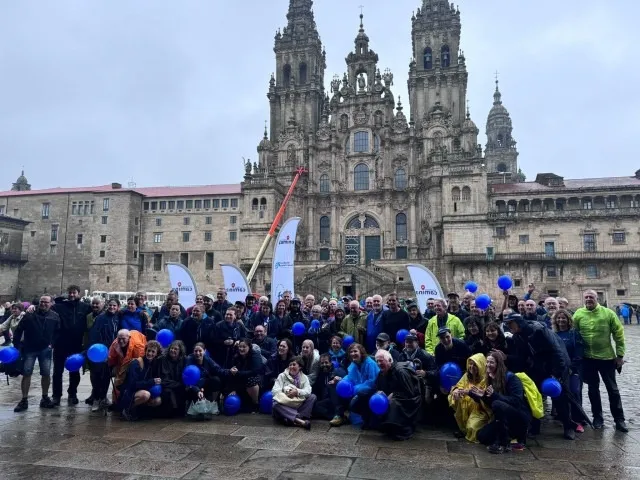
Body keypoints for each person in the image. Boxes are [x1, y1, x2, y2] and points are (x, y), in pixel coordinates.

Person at [503, 312, 576, 440]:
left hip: (554, 366)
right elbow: (522, 357)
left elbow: (556, 350)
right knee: (534, 396)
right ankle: (535, 427)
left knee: (560, 397)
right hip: (537, 369)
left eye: (511, 323)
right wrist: (507, 358)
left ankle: (568, 426)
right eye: (507, 324)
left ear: (518, 322)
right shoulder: (517, 337)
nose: (509, 326)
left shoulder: (538, 330)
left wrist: (557, 373)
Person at [573, 290, 627, 432]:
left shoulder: (608, 313)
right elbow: (574, 335)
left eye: (592, 297)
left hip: (606, 358)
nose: (589, 299)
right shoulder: (578, 314)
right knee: (593, 390)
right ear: (583, 299)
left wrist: (620, 355)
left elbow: (618, 334)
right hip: (587, 358)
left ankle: (619, 419)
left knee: (613, 390)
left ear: (597, 298)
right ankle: (598, 418)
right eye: (586, 297)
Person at [475, 351, 530, 454]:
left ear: (498, 364)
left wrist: (495, 395)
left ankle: (503, 443)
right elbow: (491, 404)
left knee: (497, 404)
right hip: (502, 418)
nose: (488, 365)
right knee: (481, 436)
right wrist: (482, 396)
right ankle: (507, 436)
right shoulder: (491, 379)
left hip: (519, 417)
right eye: (487, 362)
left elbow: (517, 401)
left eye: (491, 362)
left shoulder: (512, 378)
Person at [12, 295, 60, 412]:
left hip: (45, 349)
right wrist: (17, 346)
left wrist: (52, 344)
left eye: (46, 302)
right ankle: (24, 400)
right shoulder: (30, 314)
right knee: (27, 373)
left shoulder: (55, 316)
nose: (43, 304)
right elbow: (19, 330)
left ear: (51, 304)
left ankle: (44, 397)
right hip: (30, 348)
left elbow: (58, 332)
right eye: (42, 302)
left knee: (46, 373)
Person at [51, 285, 91, 406]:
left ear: (79, 293)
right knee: (57, 372)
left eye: (74, 293)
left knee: (74, 371)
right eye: (70, 293)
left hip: (76, 345)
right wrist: (33, 308)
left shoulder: (85, 307)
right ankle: (56, 396)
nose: (72, 295)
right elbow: (46, 308)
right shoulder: (59, 307)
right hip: (60, 344)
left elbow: (97, 312)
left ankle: (72, 394)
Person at [374, 349, 422, 440]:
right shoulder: (382, 373)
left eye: (381, 361)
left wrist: (393, 394)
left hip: (410, 400)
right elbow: (378, 387)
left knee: (394, 403)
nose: (379, 363)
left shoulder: (400, 371)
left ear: (389, 360)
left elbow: (410, 392)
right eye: (377, 361)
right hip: (395, 396)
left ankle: (404, 430)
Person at [328, 343, 380, 427]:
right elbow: (350, 378)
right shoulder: (353, 364)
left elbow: (371, 383)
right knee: (335, 386)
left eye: (355, 351)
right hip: (356, 390)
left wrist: (352, 389)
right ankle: (339, 415)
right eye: (351, 352)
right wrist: (341, 382)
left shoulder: (370, 363)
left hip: (369, 392)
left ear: (361, 352)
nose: (353, 354)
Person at [87, 298, 121, 412]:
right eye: (110, 305)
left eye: (114, 306)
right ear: (107, 306)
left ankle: (103, 398)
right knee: (97, 376)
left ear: (118, 307)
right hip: (101, 351)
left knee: (106, 376)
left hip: (113, 352)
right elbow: (94, 334)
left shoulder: (118, 318)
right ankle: (96, 399)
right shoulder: (101, 318)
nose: (112, 307)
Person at [448, 353, 490, 442]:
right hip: (466, 406)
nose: (472, 366)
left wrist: (469, 393)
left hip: (480, 410)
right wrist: (456, 390)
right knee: (453, 396)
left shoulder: (486, 379)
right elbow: (459, 385)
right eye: (470, 364)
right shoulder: (467, 375)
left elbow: (485, 398)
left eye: (475, 364)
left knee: (472, 428)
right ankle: (463, 430)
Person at [118, 340, 162, 421]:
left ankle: (140, 411)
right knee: (146, 395)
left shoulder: (153, 364)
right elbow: (132, 385)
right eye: (148, 350)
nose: (150, 353)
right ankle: (126, 409)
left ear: (156, 354)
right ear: (145, 350)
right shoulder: (136, 363)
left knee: (158, 400)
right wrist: (152, 381)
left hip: (141, 390)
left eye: (153, 352)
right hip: (129, 393)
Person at [271, 356, 316, 429]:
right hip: (285, 404)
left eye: (294, 364)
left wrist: (297, 392)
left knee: (312, 397)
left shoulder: (304, 377)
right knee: (275, 404)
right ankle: (300, 421)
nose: (291, 367)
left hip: (297, 403)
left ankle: (291, 418)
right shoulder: (282, 376)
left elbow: (308, 391)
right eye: (290, 365)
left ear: (300, 367)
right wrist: (286, 393)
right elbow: (275, 391)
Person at [185, 342, 230, 414]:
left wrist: (229, 371)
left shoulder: (207, 358)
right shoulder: (189, 360)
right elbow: (189, 380)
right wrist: (197, 391)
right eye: (196, 351)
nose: (198, 353)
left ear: (204, 351)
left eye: (200, 351)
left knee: (216, 380)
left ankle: (214, 403)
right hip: (193, 386)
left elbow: (217, 369)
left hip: (204, 383)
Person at [107, 329, 147, 405]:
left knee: (131, 379)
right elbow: (111, 357)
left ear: (129, 338)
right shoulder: (115, 343)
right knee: (118, 380)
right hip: (121, 362)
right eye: (119, 339)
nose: (121, 341)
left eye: (123, 339)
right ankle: (116, 402)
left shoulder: (138, 346)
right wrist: (109, 365)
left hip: (135, 361)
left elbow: (141, 360)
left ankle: (130, 401)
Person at [398, 333, 437, 405]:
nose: (408, 344)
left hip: (423, 385)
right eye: (407, 342)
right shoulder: (401, 356)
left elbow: (435, 372)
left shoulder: (426, 356)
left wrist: (425, 373)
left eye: (411, 342)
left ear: (417, 343)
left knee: (427, 400)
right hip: (407, 385)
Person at [226, 338, 263, 412]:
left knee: (251, 380)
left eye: (244, 347)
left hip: (256, 380)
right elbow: (232, 371)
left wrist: (238, 373)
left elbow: (255, 372)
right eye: (240, 346)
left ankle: (255, 403)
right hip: (241, 379)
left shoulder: (255, 355)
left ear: (249, 347)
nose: (241, 349)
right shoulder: (236, 356)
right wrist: (233, 389)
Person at [155, 340, 187, 417]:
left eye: (175, 349)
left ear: (180, 351)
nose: (173, 350)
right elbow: (164, 378)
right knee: (168, 392)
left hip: (178, 384)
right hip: (166, 385)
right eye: (171, 348)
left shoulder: (183, 360)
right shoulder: (163, 359)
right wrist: (178, 384)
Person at [312, 353, 339, 420]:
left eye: (326, 362)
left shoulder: (336, 372)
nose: (324, 365)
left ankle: (333, 415)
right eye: (322, 363)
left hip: (334, 400)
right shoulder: (320, 374)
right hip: (323, 400)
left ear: (331, 362)